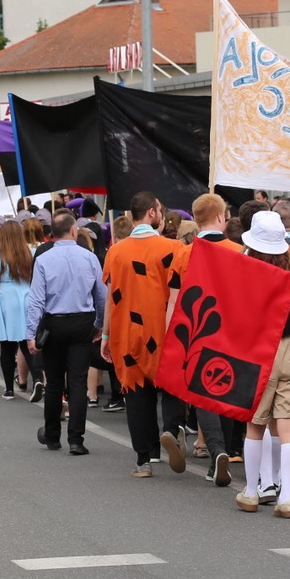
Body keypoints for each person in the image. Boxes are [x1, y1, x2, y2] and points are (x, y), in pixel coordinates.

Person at [102, 192, 189, 478]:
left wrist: (104, 336)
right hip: (164, 328)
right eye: (161, 211)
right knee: (172, 384)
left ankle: (144, 459)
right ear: (152, 213)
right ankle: (171, 430)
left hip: (127, 332)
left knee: (136, 392)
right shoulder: (174, 248)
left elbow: (109, 296)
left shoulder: (115, 251)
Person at [231, 211, 290, 517]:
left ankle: (252, 492)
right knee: (288, 426)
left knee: (255, 424)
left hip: (259, 348)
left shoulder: (247, 271)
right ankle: (286, 496)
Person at [25, 212, 106, 454]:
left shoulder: (44, 259)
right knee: (78, 382)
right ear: (73, 231)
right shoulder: (89, 257)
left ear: (52, 234)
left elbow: (36, 299)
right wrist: (100, 325)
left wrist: (31, 332)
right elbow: (101, 296)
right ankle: (76, 440)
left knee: (54, 382)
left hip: (54, 322)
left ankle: (51, 435)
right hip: (83, 321)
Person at [0, 221, 35, 399]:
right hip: (27, 296)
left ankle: (9, 389)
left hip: (6, 298)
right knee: (27, 343)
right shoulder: (30, 253)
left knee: (7, 347)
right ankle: (37, 380)